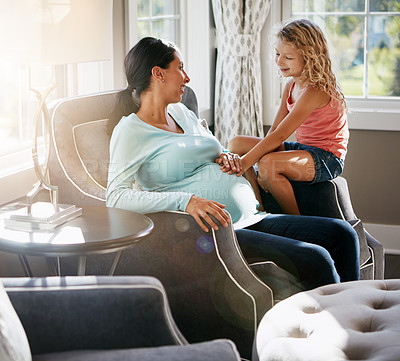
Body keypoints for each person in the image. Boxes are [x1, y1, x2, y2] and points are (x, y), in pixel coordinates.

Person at [106, 36, 359, 292]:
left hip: (255, 216)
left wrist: (225, 154)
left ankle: (358, 316)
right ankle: (332, 326)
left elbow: (214, 149)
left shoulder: (181, 112)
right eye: (180, 67)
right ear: (158, 74)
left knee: (342, 234)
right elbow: (115, 197)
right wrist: (186, 201)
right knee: (317, 258)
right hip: (222, 232)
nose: (187, 77)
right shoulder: (130, 131)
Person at [226, 19, 349, 215]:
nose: (279, 61)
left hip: (327, 157)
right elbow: (273, 131)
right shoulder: (291, 87)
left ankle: (295, 218)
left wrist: (246, 163)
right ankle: (259, 207)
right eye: (277, 54)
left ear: (309, 57)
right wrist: (249, 160)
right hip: (304, 149)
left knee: (267, 165)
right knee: (236, 143)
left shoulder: (315, 91)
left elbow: (281, 135)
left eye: (288, 57)